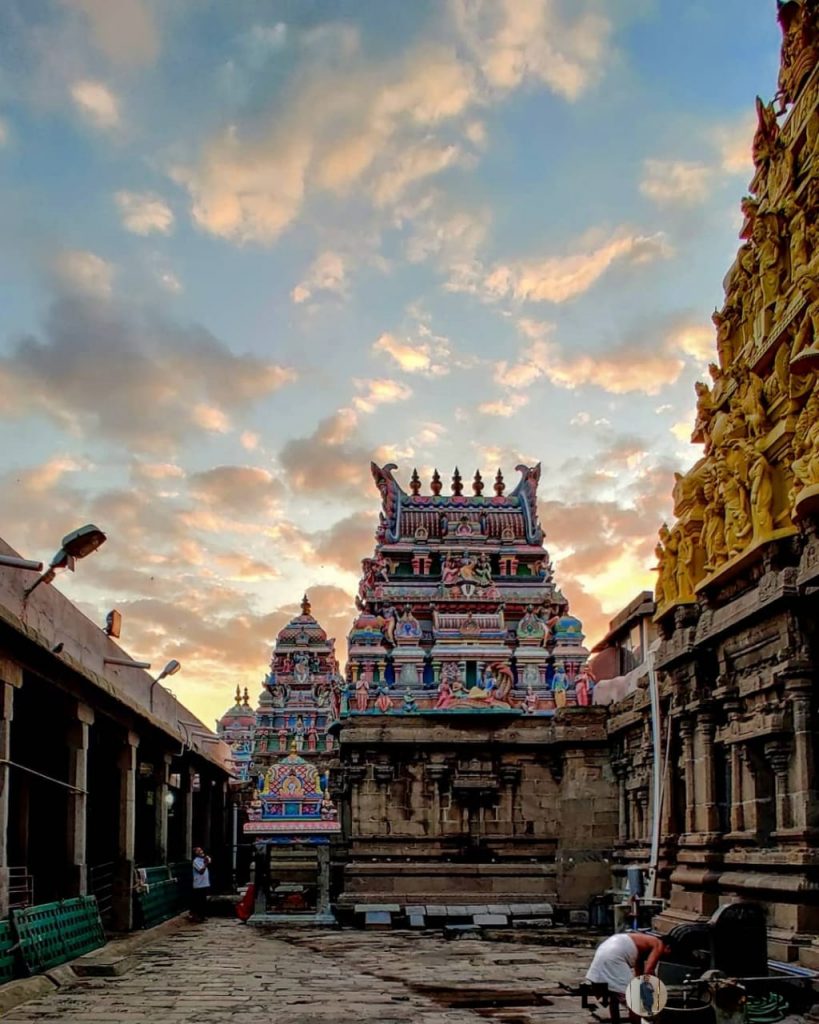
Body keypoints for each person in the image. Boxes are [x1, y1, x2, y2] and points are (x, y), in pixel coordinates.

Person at [585, 931, 670, 1021]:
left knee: (615, 992)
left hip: (605, 950)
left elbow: (639, 971)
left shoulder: (644, 944)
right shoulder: (658, 944)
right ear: (668, 947)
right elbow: (648, 970)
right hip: (613, 956)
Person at [190, 846, 211, 923]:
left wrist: (206, 861)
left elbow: (209, 860)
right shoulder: (195, 861)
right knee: (199, 901)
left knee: (203, 900)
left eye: (201, 850)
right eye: (198, 851)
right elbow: (201, 871)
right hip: (198, 884)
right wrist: (205, 864)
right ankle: (197, 916)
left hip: (204, 883)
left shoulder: (204, 859)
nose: (200, 851)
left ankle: (202, 916)